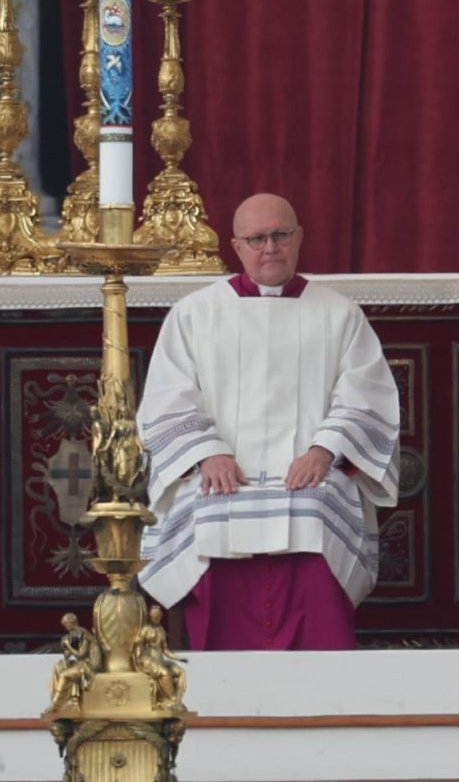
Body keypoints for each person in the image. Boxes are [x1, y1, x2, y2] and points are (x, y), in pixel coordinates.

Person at [137, 193, 400, 649]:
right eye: (257, 238)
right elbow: (167, 395)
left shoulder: (339, 313)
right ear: (236, 247)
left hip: (309, 474)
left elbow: (366, 392)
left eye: (280, 235)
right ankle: (216, 683)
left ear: (299, 238)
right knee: (208, 514)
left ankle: (324, 678)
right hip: (220, 474)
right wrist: (207, 453)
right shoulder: (195, 314)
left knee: (317, 511)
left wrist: (325, 449)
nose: (270, 247)